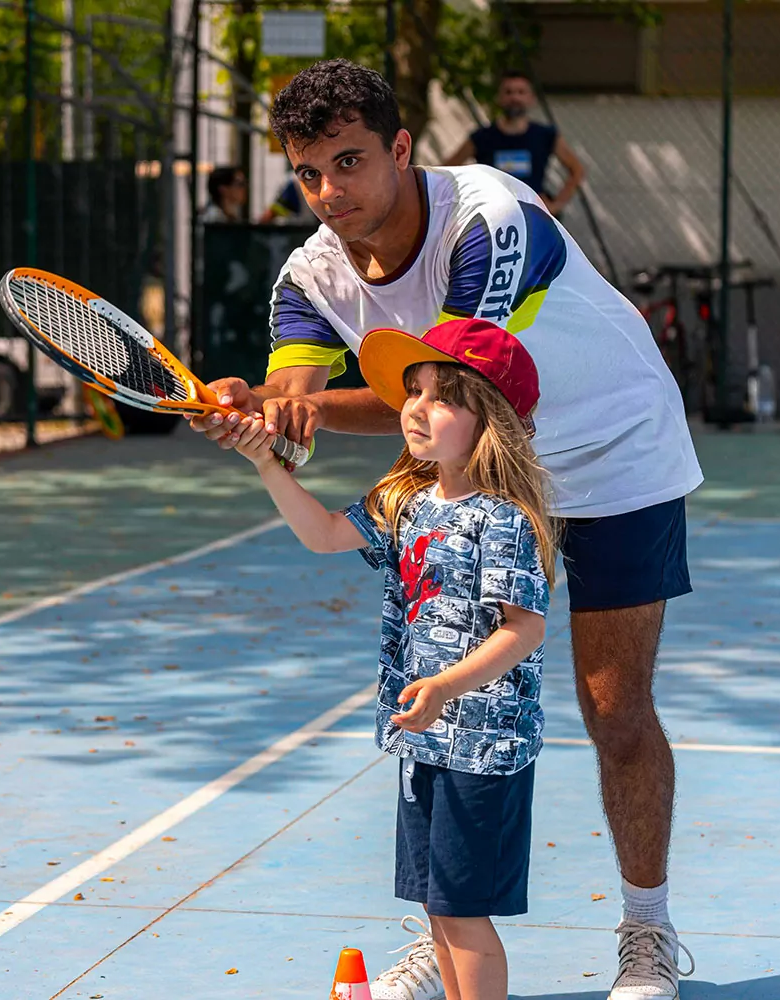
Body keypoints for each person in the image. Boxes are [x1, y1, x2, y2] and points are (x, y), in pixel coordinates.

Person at [190, 59, 702, 1000]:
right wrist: (252, 411)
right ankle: (449, 932)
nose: (328, 192)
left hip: (615, 453)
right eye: (306, 173)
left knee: (614, 707)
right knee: (449, 708)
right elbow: (300, 404)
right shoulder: (309, 274)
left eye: (348, 162)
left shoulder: (489, 220)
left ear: (400, 147)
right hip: (490, 473)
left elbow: (450, 397)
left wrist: (269, 406)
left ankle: (647, 929)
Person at [233, 318, 555, 1000]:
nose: (416, 407)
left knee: (465, 913)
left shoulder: (501, 517)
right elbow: (322, 534)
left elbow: (523, 630)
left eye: (442, 396)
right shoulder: (404, 501)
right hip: (424, 737)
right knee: (439, 906)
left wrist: (444, 685)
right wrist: (269, 464)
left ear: (488, 419)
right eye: (414, 391)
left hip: (483, 746)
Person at [445, 70, 585, 218]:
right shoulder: (481, 137)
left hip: (533, 216)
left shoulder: (545, 135)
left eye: (521, 92)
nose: (515, 97)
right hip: (493, 216)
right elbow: (446, 170)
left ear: (531, 98)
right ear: (499, 98)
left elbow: (577, 170)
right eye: (508, 92)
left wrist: (556, 205)